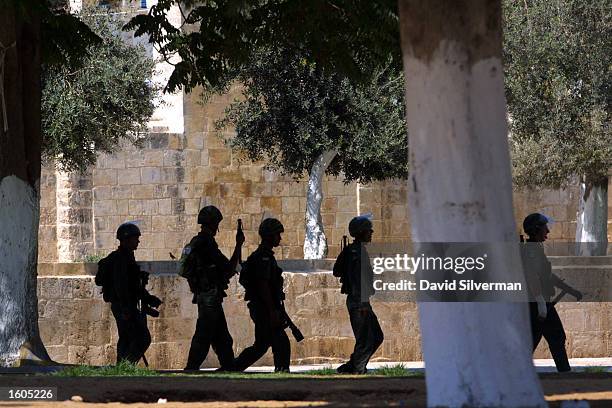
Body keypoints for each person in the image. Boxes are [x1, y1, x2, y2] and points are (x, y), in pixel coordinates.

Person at [184, 205, 244, 371]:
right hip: (209, 297)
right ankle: (190, 369)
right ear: (213, 224)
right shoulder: (207, 244)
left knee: (222, 338)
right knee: (204, 336)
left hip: (207, 296)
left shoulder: (196, 242)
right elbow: (229, 269)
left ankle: (229, 368)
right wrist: (238, 245)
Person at [521, 213, 582, 372]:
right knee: (556, 336)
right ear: (535, 230)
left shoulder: (536, 249)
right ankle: (564, 371)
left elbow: (547, 275)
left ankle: (515, 372)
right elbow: (531, 275)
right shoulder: (531, 251)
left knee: (533, 339)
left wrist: (570, 290)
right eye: (544, 228)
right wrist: (540, 301)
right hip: (537, 304)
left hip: (537, 304)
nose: (547, 231)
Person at [99, 222, 162, 364]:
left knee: (128, 338)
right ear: (126, 239)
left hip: (126, 305)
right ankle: (126, 366)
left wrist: (148, 297)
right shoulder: (121, 259)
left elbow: (132, 285)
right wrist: (127, 309)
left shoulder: (127, 257)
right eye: (135, 238)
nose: (138, 241)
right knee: (141, 337)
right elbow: (122, 286)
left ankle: (123, 368)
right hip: (123, 305)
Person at [233, 218, 291, 372]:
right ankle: (282, 371)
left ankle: (233, 367)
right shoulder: (263, 257)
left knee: (261, 345)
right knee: (280, 342)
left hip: (263, 307)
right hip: (264, 308)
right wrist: (272, 311)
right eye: (277, 234)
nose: (280, 238)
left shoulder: (263, 256)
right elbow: (263, 285)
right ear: (270, 235)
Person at [332, 215, 383, 374]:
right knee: (366, 340)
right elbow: (355, 279)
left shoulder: (353, 251)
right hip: (358, 301)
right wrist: (361, 303)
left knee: (376, 336)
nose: (371, 232)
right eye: (368, 230)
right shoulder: (356, 253)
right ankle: (357, 370)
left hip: (361, 300)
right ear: (361, 232)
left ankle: (353, 366)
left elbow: (337, 271)